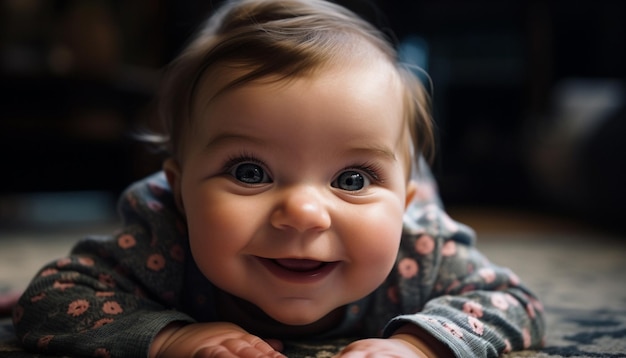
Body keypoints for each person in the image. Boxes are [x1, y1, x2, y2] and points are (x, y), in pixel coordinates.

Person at [12, 0, 545, 357]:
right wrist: (172, 337)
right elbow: (51, 297)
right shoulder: (164, 231)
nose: (305, 213)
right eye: (250, 172)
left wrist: (417, 345)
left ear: (402, 204)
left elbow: (513, 301)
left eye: (353, 179)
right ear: (179, 191)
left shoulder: (419, 246)